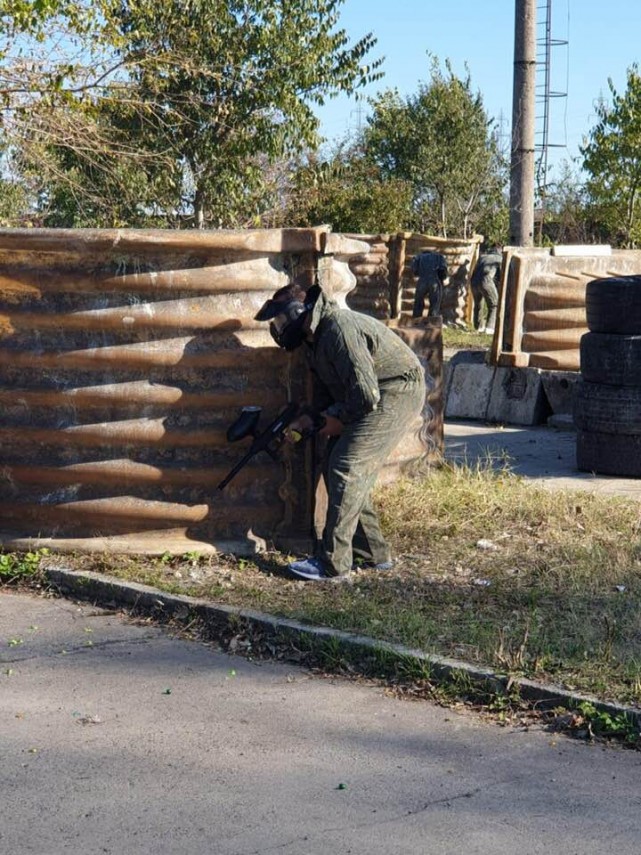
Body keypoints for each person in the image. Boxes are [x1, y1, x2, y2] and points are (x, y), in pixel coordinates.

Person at [254, 281, 426, 581]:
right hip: (372, 395)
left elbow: (366, 395)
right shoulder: (315, 339)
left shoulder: (337, 328)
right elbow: (329, 395)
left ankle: (333, 563)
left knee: (346, 466)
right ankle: (373, 554)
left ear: (299, 313)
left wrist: (335, 420)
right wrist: (313, 419)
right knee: (336, 462)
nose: (279, 328)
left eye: (281, 320)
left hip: (397, 389)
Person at [470, 247, 502, 334]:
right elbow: (500, 277)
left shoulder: (482, 257)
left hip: (473, 281)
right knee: (494, 305)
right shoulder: (499, 259)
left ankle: (478, 327)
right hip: (486, 280)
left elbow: (475, 270)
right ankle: (490, 328)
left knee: (478, 304)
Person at [410, 250, 449, 318]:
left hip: (422, 280)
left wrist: (419, 273)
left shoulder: (418, 257)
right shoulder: (438, 257)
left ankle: (416, 319)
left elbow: (414, 269)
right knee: (435, 302)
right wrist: (441, 279)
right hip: (434, 280)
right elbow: (443, 270)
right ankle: (432, 319)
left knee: (418, 301)